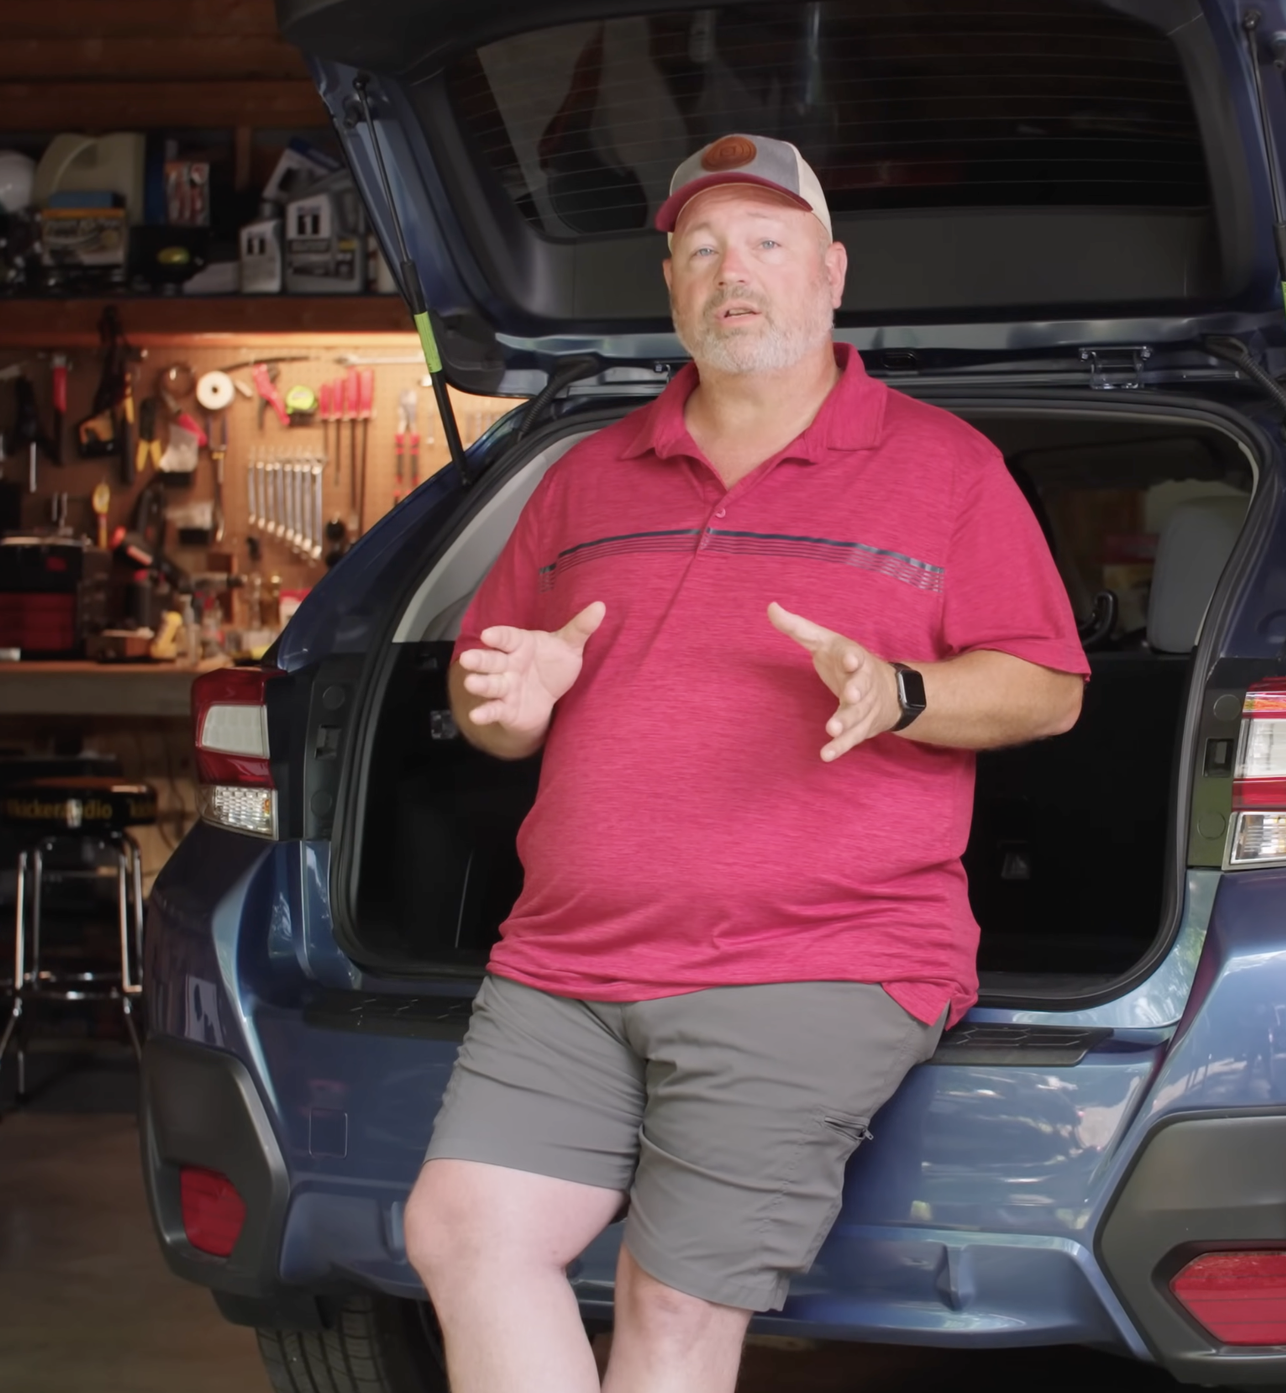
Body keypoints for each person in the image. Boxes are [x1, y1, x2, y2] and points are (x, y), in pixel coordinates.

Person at [404, 132, 1089, 1393]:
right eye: (703, 248)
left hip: (815, 954)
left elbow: (1048, 688)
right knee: (463, 1231)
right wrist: (511, 703)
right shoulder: (585, 474)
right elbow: (487, 695)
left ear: (831, 272)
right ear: (670, 282)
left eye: (768, 242)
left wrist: (906, 693)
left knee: (671, 1303)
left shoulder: (946, 468)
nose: (735, 272)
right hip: (567, 957)